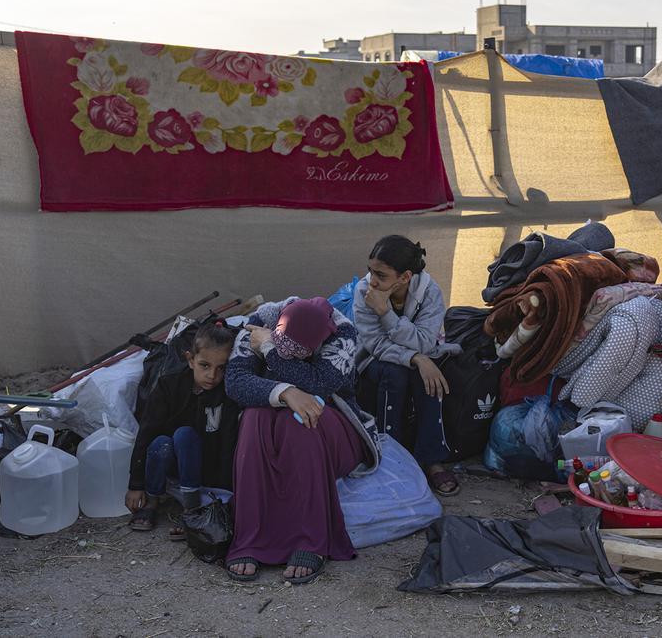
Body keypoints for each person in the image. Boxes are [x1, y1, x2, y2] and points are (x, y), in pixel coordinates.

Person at [224, 297, 380, 585]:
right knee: (254, 417)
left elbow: (320, 384)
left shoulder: (342, 332)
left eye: (301, 354)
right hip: (270, 414)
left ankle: (311, 539)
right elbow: (235, 381)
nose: (292, 357)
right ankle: (249, 538)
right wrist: (285, 392)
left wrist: (270, 349)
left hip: (334, 422)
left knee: (302, 421)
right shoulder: (259, 322)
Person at [354, 236, 462, 497]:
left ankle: (431, 458)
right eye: (370, 271)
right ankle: (391, 456)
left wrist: (387, 315)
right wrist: (415, 358)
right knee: (397, 373)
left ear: (405, 277)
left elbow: (425, 341)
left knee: (429, 376)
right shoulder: (364, 292)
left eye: (381, 275)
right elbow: (375, 344)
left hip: (418, 356)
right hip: (373, 361)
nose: (373, 281)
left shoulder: (429, 292)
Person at [126, 322, 241, 538]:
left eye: (221, 368)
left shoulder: (227, 393)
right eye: (204, 365)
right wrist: (135, 484)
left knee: (186, 436)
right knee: (164, 442)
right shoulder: (169, 386)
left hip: (206, 472)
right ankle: (152, 502)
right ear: (190, 360)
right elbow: (146, 434)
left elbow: (228, 442)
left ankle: (192, 511)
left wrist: (229, 491)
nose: (212, 375)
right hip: (171, 468)